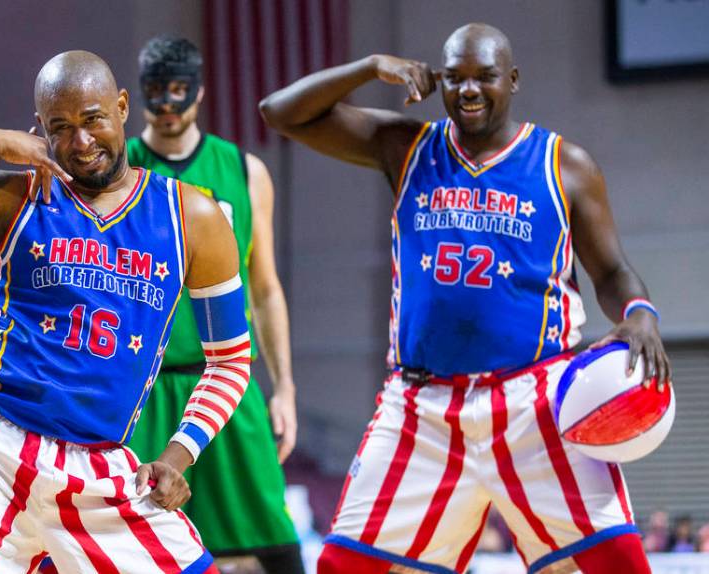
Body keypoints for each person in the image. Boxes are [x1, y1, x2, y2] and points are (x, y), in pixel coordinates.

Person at [260, 23, 669, 574]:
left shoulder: (564, 164)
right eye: (454, 78)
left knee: (617, 563)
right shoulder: (405, 146)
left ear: (514, 80)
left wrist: (639, 315)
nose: (468, 90)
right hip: (422, 406)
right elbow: (279, 111)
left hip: (535, 401)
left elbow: (613, 270)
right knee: (341, 564)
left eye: (484, 77)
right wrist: (368, 67)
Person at [0, 50, 249, 574]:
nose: (81, 142)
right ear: (38, 130)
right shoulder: (14, 197)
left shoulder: (193, 216)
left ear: (122, 107)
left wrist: (179, 453)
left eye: (92, 120)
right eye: (60, 127)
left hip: (100, 465)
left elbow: (229, 361)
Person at [126, 35, 303, 574]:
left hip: (224, 380)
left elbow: (266, 286)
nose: (168, 106)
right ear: (140, 94)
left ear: (200, 92)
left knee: (272, 547)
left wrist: (286, 388)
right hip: (140, 386)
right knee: (134, 550)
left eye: (180, 91)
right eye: (157, 91)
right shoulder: (118, 169)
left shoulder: (245, 171)